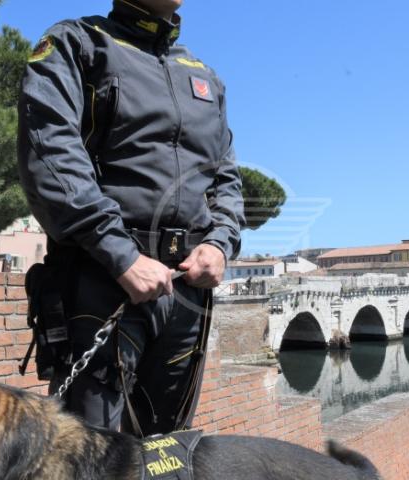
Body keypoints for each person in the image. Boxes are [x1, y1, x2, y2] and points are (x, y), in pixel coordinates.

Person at [17, 0, 244, 437]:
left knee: (170, 449)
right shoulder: (76, 43)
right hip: (101, 284)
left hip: (186, 293)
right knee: (90, 454)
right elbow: (50, 155)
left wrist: (219, 242)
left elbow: (225, 177)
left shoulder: (204, 76)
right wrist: (120, 255)